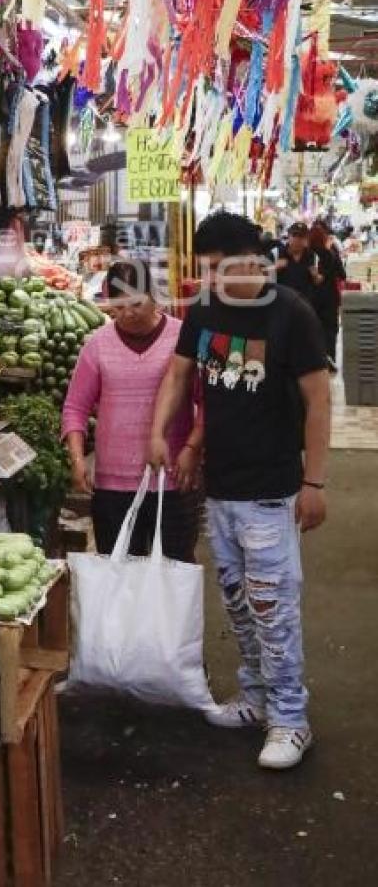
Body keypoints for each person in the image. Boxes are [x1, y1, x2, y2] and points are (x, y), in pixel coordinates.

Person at [150, 212, 330, 771]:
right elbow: (180, 376)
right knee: (237, 603)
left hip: (272, 491)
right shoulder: (204, 310)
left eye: (216, 268)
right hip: (220, 489)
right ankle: (254, 699)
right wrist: (160, 431)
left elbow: (319, 401)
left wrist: (315, 481)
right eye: (203, 269)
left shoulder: (290, 314)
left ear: (251, 258)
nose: (208, 280)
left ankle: (290, 719)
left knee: (273, 608)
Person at [63, 259, 202, 563]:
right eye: (119, 306)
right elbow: (75, 408)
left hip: (172, 481)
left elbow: (206, 402)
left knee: (175, 570)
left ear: (153, 295)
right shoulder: (98, 345)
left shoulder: (182, 337)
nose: (128, 314)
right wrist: (76, 460)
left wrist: (192, 449)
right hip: (114, 484)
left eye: (136, 304)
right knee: (120, 573)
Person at [309, 220, 346, 370]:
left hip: (311, 298)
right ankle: (329, 359)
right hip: (329, 298)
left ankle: (313, 361)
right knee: (330, 330)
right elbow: (343, 275)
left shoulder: (307, 255)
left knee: (311, 329)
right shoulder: (331, 254)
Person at [273, 221, 321, 300]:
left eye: (301, 236)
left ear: (306, 239)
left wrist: (316, 276)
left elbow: (318, 281)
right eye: (294, 235)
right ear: (288, 236)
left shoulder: (313, 256)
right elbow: (260, 274)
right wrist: (274, 268)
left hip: (304, 304)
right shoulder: (276, 253)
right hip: (281, 303)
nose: (297, 239)